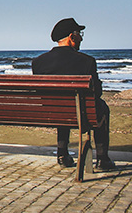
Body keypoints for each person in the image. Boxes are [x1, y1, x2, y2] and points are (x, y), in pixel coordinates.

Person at [32, 18, 116, 170]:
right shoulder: (87, 61)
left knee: (61, 106)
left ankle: (62, 154)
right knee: (101, 107)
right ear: (72, 36)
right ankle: (103, 159)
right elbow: (97, 92)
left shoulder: (38, 62)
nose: (81, 38)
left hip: (52, 112)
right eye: (79, 34)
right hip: (80, 113)